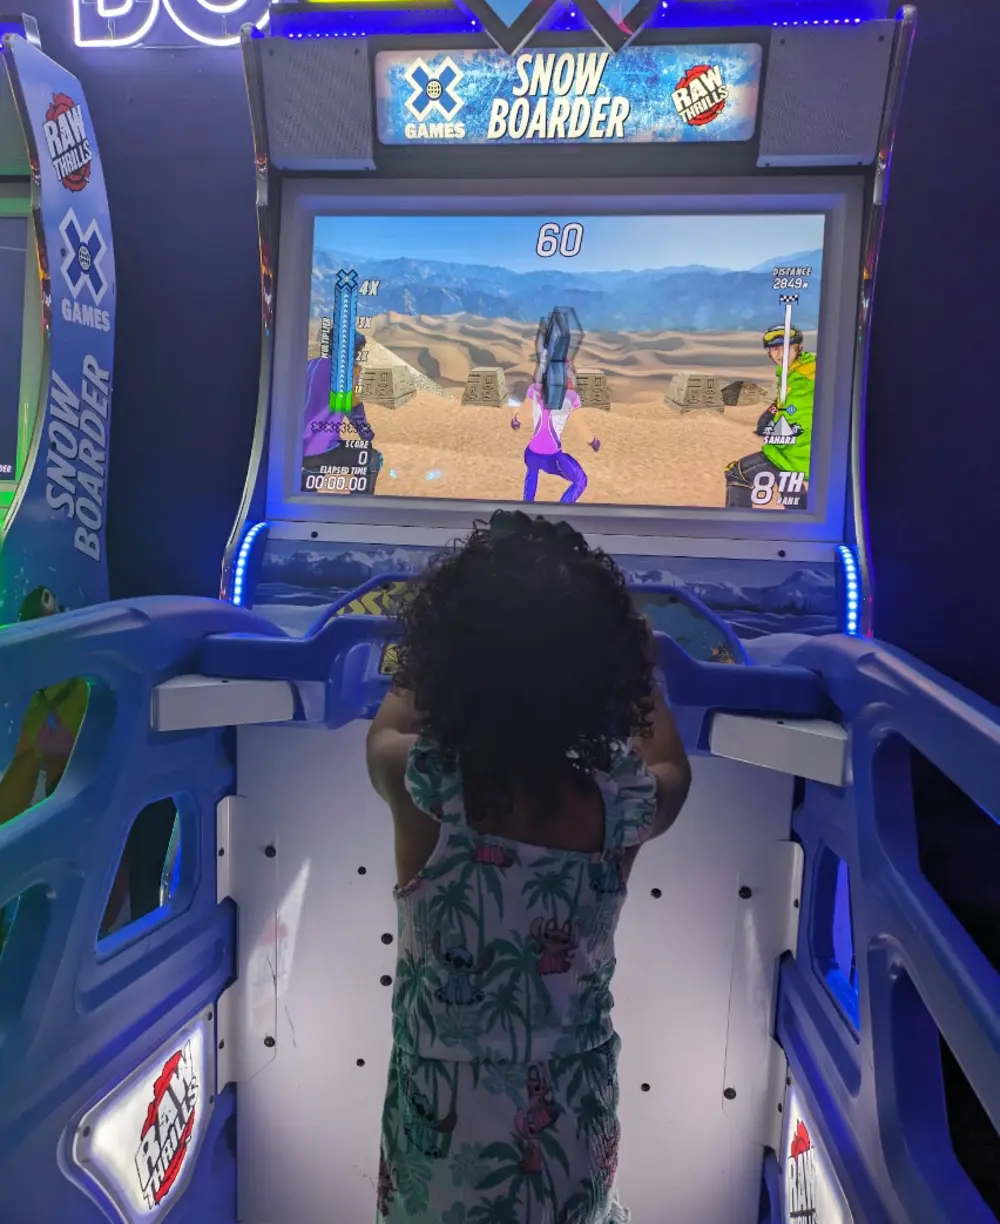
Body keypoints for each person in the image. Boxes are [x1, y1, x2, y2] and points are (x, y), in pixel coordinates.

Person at [366, 511, 692, 1223]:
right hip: (572, 1110)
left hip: (440, 1116)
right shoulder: (619, 803)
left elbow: (388, 727)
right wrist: (643, 672)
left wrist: (428, 655)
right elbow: (672, 768)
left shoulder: (425, 788)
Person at [724, 323, 816, 509]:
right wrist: (772, 411)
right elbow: (788, 403)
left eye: (786, 347)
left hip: (796, 452)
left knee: (737, 472)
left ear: (798, 347)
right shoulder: (791, 370)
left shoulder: (808, 374)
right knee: (789, 485)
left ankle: (737, 523)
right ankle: (801, 519)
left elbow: (801, 411)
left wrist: (776, 434)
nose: (780, 354)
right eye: (775, 349)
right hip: (796, 451)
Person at [513, 374, 596, 504]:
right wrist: (593, 441)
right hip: (552, 458)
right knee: (581, 480)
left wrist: (515, 421)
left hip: (531, 454)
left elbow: (523, 415)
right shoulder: (571, 397)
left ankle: (527, 505)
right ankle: (562, 507)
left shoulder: (535, 390)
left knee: (532, 472)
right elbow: (581, 426)